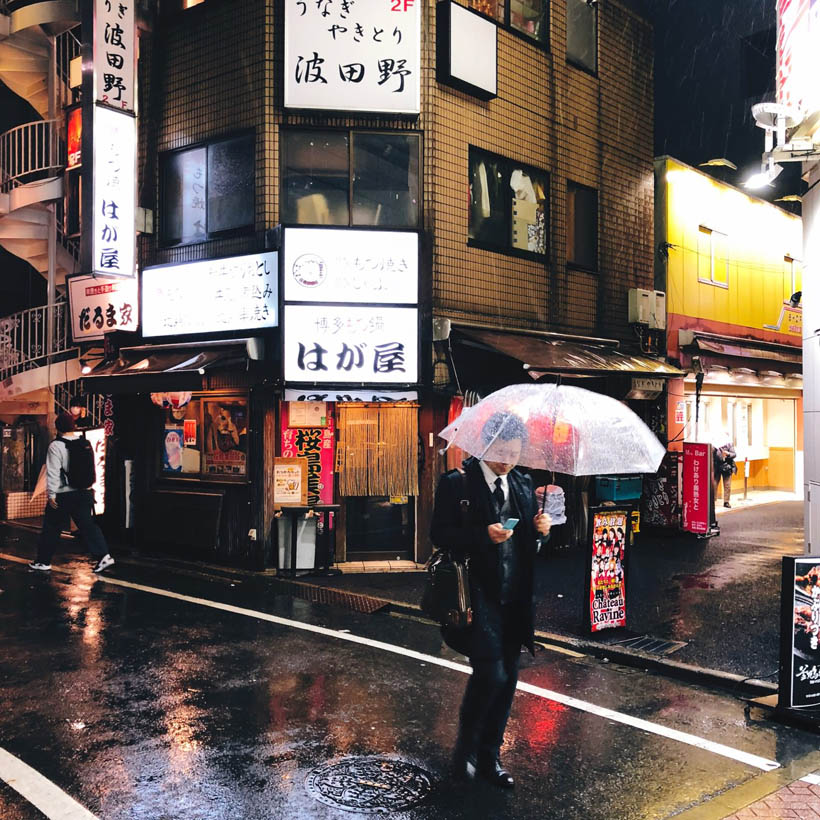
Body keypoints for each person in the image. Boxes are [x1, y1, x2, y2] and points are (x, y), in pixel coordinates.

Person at [430, 412, 551, 789]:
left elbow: (530, 544)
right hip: (477, 594)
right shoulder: (458, 484)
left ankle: (490, 756)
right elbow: (439, 534)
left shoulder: (522, 483)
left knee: (509, 677)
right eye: (500, 449)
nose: (506, 457)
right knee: (491, 672)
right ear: (484, 444)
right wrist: (483, 535)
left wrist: (540, 533)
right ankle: (465, 748)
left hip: (513, 597)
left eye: (514, 450)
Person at [28, 412, 115, 574]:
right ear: (73, 426)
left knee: (51, 527)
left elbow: (53, 472)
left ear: (57, 427)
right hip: (84, 492)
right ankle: (104, 555)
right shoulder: (84, 443)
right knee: (88, 525)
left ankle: (43, 561)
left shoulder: (56, 446)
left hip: (64, 494)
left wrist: (51, 494)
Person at [713, 440, 737, 509]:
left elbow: (734, 454)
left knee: (727, 485)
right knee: (714, 484)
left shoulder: (729, 443)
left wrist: (728, 454)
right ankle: (713, 500)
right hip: (716, 466)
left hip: (727, 466)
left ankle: (726, 501)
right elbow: (711, 454)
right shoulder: (714, 445)